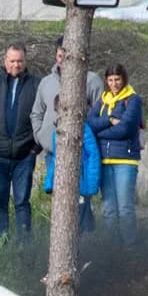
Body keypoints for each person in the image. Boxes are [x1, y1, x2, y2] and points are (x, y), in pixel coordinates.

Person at [32, 35, 104, 234]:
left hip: (81, 154)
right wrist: (40, 136)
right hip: (52, 153)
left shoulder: (92, 80)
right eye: (60, 54)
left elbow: (100, 113)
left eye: (67, 55)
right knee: (60, 203)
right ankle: (63, 240)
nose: (62, 58)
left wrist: (84, 135)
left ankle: (86, 240)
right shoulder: (46, 82)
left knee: (82, 203)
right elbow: (36, 112)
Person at [0, 44, 41, 244]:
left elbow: (46, 116)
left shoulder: (36, 84)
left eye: (19, 61)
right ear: (5, 61)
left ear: (25, 61)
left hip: (24, 154)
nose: (16, 64)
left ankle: (23, 247)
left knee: (22, 202)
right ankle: (1, 246)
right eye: (12, 60)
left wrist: (35, 147)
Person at [87, 64, 143, 246]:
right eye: (110, 80)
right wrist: (110, 120)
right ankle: (112, 247)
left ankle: (129, 246)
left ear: (124, 78)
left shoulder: (133, 100)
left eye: (117, 79)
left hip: (125, 161)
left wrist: (100, 132)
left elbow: (126, 129)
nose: (114, 83)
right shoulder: (102, 100)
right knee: (108, 208)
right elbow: (90, 123)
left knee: (125, 207)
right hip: (104, 159)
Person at [43, 96, 101, 239]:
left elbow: (93, 156)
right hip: (64, 186)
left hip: (82, 185)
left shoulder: (84, 130)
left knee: (83, 219)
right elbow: (56, 159)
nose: (64, 115)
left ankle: (90, 246)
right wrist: (50, 183)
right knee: (67, 219)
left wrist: (92, 185)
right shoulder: (57, 133)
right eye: (61, 111)